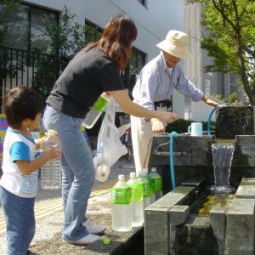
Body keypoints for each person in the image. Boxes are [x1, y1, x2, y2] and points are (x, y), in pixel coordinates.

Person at [42, 14, 177, 246]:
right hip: (64, 119)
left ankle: (77, 222)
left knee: (72, 175)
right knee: (84, 174)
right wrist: (159, 114)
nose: (132, 47)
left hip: (56, 115)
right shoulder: (105, 64)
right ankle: (73, 231)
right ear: (125, 41)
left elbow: (85, 87)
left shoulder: (91, 51)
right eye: (132, 41)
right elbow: (128, 106)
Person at [131, 30, 219, 176]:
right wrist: (154, 119)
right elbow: (144, 98)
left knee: (159, 153)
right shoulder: (152, 70)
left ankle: (157, 183)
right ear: (164, 50)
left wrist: (205, 98)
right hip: (144, 112)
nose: (176, 59)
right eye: (173, 55)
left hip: (159, 111)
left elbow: (185, 84)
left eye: (179, 56)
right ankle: (144, 186)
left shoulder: (175, 68)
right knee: (145, 154)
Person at [0, 85, 61, 255]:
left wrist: (44, 142)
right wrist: (47, 156)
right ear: (26, 120)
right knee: (19, 231)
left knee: (27, 227)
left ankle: (21, 250)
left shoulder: (22, 131)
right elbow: (25, 168)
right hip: (16, 195)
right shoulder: (18, 141)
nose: (40, 116)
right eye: (38, 114)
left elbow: (31, 147)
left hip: (21, 193)